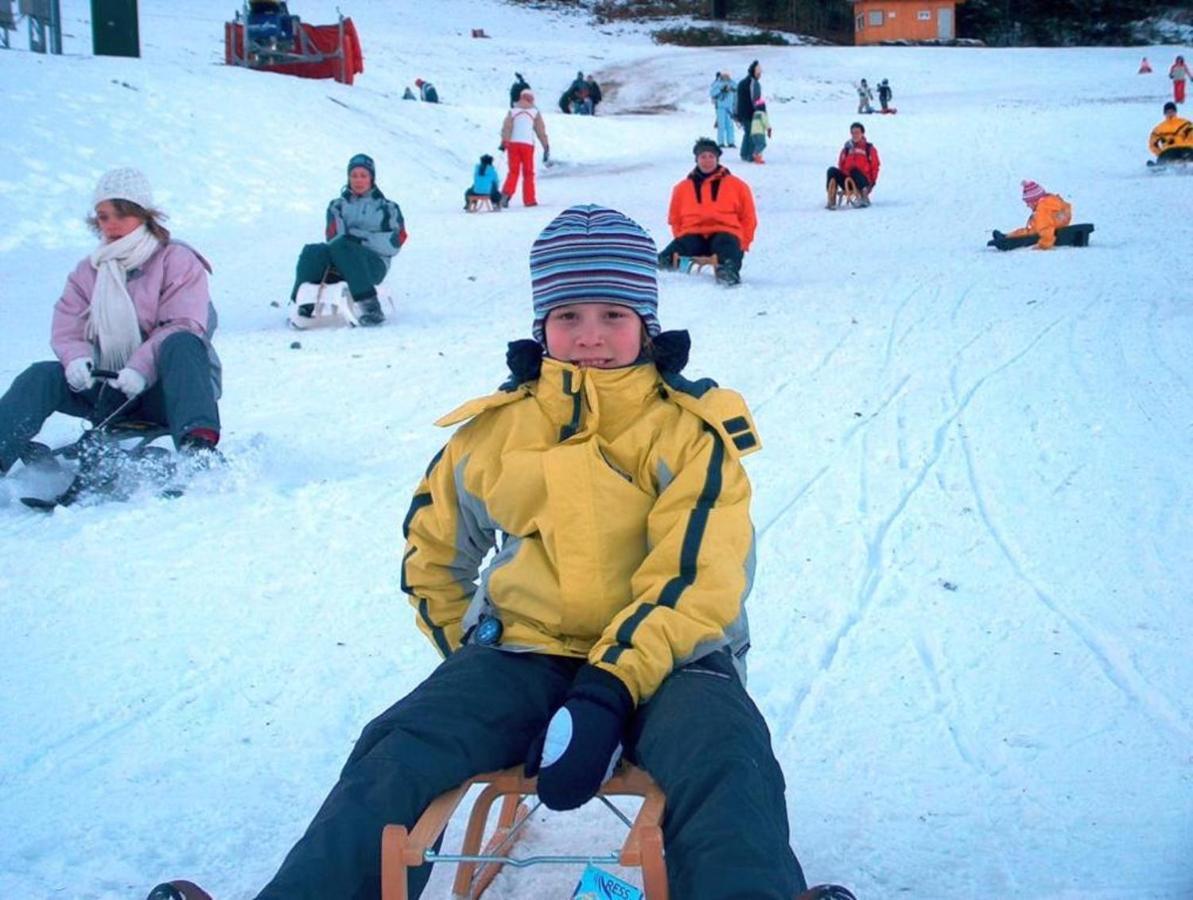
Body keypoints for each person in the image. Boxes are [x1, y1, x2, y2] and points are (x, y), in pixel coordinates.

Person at [233, 203, 813, 900]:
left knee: (726, 757)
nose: (589, 337)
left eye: (612, 315)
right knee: (402, 745)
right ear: (541, 326)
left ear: (646, 325)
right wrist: (470, 657)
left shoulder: (688, 434)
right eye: (568, 316)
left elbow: (698, 579)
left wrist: (606, 690)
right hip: (525, 650)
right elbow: (432, 548)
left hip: (673, 660)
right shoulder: (498, 431)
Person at [0, 167, 222, 477]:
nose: (112, 224)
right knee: (41, 376)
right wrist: (77, 360)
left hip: (170, 392)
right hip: (109, 390)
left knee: (183, 343)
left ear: (144, 215)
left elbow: (184, 323)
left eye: (122, 214)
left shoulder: (176, 260)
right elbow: (68, 328)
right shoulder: (89, 272)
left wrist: (140, 369)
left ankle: (199, 451)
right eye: (104, 216)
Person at [290, 154, 407, 327]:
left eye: (363, 176)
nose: (358, 180)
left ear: (371, 178)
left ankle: (370, 306)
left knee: (345, 246)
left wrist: (360, 240)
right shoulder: (337, 206)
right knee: (312, 251)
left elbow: (395, 243)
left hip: (373, 266)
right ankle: (301, 305)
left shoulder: (388, 208)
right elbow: (334, 237)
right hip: (341, 262)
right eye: (354, 175)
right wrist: (348, 242)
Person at [658, 138, 757, 286]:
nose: (707, 160)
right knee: (663, 260)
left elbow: (748, 217)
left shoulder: (737, 185)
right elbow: (675, 218)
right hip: (693, 234)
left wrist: (743, 243)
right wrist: (681, 236)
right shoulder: (682, 188)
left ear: (717, 159)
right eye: (703, 157)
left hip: (725, 233)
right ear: (696, 159)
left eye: (711, 156)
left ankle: (727, 273)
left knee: (728, 251)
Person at [499, 89, 550, 208]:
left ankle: (505, 195)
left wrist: (504, 141)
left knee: (513, 171)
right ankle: (529, 200)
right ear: (531, 99)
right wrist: (545, 145)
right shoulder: (534, 113)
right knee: (528, 173)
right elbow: (540, 131)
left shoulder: (512, 111)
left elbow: (507, 127)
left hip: (513, 145)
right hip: (527, 145)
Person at [991, 180, 1073, 250]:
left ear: (1034, 201)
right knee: (1027, 230)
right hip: (1056, 225)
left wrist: (1044, 245)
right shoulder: (1050, 202)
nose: (1027, 205)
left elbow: (1046, 230)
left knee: (1027, 232)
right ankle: (1006, 236)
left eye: (1028, 203)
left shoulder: (1042, 210)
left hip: (1046, 229)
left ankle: (1007, 239)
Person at [825, 122, 881, 209]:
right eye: (853, 133)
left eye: (857, 132)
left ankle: (864, 197)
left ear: (862, 133)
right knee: (831, 170)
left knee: (854, 170)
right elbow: (841, 165)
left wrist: (872, 183)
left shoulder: (869, 148)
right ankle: (831, 199)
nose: (855, 135)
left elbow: (875, 166)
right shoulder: (846, 149)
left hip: (863, 182)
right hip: (849, 180)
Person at [735, 60, 762, 162]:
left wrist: (736, 113)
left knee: (747, 133)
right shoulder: (753, 83)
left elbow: (736, 99)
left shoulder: (742, 82)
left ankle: (744, 153)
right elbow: (756, 99)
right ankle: (748, 154)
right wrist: (760, 110)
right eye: (759, 74)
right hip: (750, 113)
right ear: (755, 72)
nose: (760, 76)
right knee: (751, 133)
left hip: (742, 112)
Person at [710, 71, 736, 148]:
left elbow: (736, 90)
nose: (725, 77)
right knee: (721, 125)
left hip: (730, 107)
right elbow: (712, 93)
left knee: (730, 125)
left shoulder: (732, 83)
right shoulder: (717, 84)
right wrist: (721, 90)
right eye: (724, 75)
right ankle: (721, 142)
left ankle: (731, 142)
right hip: (721, 107)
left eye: (727, 75)